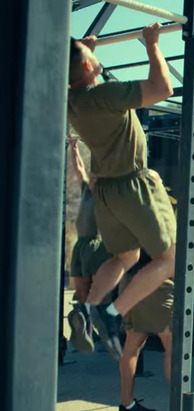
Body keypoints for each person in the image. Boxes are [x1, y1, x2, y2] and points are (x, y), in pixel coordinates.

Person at [67, 23, 177, 359]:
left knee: (125, 257)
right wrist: (152, 45)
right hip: (134, 184)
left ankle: (87, 308)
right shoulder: (105, 96)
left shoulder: (73, 101)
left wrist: (87, 55)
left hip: (107, 192)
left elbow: (78, 74)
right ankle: (112, 313)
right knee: (170, 259)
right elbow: (163, 88)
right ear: (88, 67)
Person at [66, 135, 112, 355]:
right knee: (81, 290)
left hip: (96, 245)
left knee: (99, 293)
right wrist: (74, 147)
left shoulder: (105, 193)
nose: (92, 176)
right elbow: (79, 168)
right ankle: (85, 333)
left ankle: (105, 334)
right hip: (81, 245)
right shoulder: (86, 187)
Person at [115, 252, 172, 411]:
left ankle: (127, 406)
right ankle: (182, 406)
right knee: (174, 345)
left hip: (130, 281)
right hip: (156, 283)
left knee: (132, 346)